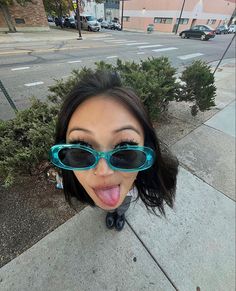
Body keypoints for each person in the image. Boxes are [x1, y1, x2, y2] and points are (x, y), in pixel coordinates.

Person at [50, 70, 178, 231]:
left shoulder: (142, 178)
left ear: (146, 147)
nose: (104, 171)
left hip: (129, 195)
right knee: (110, 207)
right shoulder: (67, 173)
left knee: (124, 204)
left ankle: (120, 215)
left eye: (124, 148)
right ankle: (111, 213)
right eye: (81, 149)